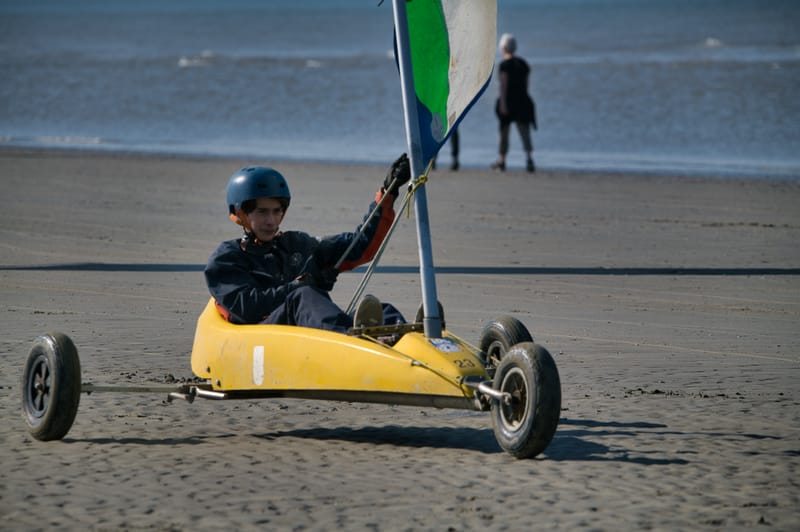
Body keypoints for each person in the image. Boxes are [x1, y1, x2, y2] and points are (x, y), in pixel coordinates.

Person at [204, 155, 411, 333]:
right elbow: (246, 307)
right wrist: (296, 287)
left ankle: (414, 342)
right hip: (264, 336)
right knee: (303, 296)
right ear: (240, 214)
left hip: (312, 330)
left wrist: (388, 192)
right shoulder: (226, 258)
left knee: (385, 312)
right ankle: (347, 339)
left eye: (276, 211)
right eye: (262, 212)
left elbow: (359, 246)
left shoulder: (298, 245)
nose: (271, 220)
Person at [492, 33, 537, 173]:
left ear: (503, 48)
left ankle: (502, 161)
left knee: (504, 133)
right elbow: (526, 85)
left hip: (509, 102)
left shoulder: (504, 65)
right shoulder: (523, 64)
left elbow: (503, 86)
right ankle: (529, 159)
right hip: (523, 102)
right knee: (525, 132)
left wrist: (503, 103)